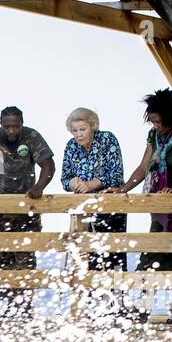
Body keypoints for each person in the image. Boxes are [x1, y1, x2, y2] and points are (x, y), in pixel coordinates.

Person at [0, 106, 55, 317]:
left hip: (25, 207)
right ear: (1, 124)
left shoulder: (31, 137)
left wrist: (39, 187)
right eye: (7, 126)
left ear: (21, 123)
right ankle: (8, 308)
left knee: (25, 257)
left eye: (15, 126)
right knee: (1, 257)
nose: (11, 130)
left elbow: (48, 164)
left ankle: (25, 308)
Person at [61, 108, 128, 319]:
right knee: (85, 259)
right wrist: (73, 182)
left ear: (92, 126)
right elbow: (65, 177)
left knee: (112, 257)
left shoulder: (107, 139)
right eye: (74, 130)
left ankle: (117, 307)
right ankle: (90, 309)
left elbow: (116, 175)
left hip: (110, 207)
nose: (78, 134)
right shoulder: (71, 146)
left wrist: (90, 184)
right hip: (83, 211)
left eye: (82, 129)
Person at [118, 89, 172, 274]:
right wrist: (123, 189)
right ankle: (140, 302)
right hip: (160, 208)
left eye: (158, 121)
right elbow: (144, 167)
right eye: (152, 121)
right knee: (148, 263)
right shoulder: (154, 136)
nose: (155, 125)